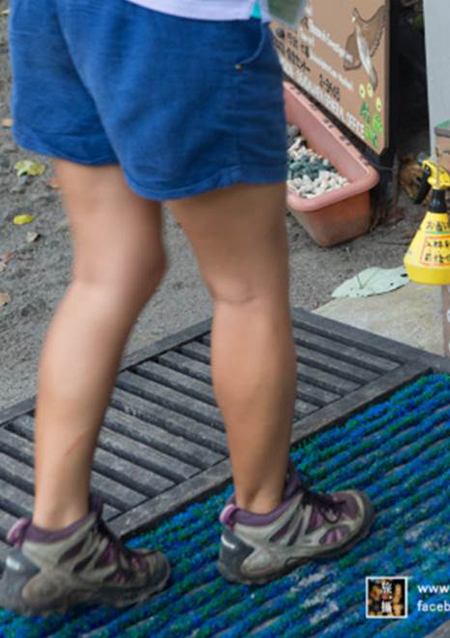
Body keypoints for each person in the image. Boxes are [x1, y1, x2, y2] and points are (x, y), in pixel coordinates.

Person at [0, 0, 374, 615]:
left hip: (60, 15)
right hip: (178, 24)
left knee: (106, 273)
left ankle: (58, 538)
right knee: (246, 287)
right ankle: (269, 518)